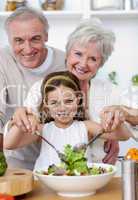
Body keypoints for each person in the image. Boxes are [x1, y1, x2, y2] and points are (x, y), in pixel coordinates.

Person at [10, 18, 124, 166]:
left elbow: (124, 130)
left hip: (100, 174)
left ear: (100, 63)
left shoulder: (110, 91)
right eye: (78, 54)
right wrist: (18, 115)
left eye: (93, 59)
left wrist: (116, 129)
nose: (83, 64)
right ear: (67, 53)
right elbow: (21, 130)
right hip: (53, 174)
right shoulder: (44, 87)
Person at [3, 71, 131, 171]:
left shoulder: (86, 127)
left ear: (78, 100)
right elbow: (9, 144)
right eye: (54, 103)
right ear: (46, 105)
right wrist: (20, 118)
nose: (62, 107)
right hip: (46, 186)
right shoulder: (42, 130)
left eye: (69, 101)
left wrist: (117, 119)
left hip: (81, 183)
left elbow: (123, 136)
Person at [0, 7, 66, 169]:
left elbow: (84, 106)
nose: (28, 49)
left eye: (35, 39)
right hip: (15, 162)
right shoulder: (2, 59)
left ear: (46, 36)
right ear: (9, 40)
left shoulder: (66, 63)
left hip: (59, 162)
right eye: (19, 41)